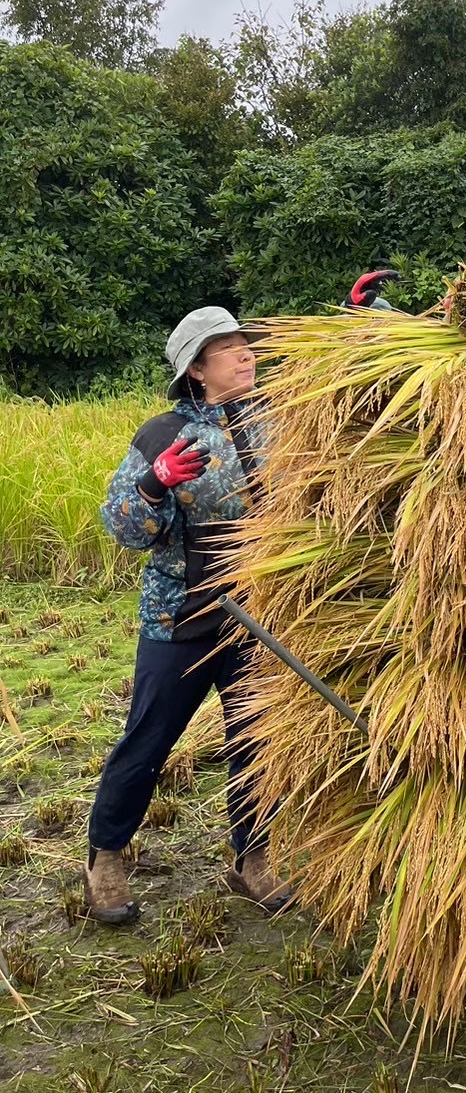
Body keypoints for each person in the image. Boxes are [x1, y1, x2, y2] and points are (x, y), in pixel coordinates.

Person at [84, 307, 288, 924]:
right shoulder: (163, 435)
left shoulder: (273, 422)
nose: (246, 355)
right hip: (181, 617)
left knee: (255, 742)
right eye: (227, 350)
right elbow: (123, 528)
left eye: (244, 345)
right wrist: (155, 484)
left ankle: (252, 857)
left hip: (254, 616)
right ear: (197, 369)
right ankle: (108, 857)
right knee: (149, 738)